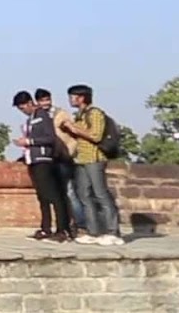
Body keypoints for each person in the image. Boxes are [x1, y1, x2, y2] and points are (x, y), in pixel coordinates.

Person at [60, 83, 123, 246]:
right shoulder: (80, 115)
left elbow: (95, 136)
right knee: (84, 195)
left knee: (101, 194)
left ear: (81, 97)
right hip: (81, 158)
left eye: (73, 97)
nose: (71, 100)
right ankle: (93, 231)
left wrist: (74, 129)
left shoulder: (94, 113)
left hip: (95, 158)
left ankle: (113, 231)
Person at [12, 89, 72, 241]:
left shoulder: (42, 116)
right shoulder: (30, 119)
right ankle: (46, 228)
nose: (23, 111)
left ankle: (62, 229)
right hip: (33, 159)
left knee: (54, 196)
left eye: (23, 107)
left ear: (29, 103)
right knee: (42, 197)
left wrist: (29, 142)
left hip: (44, 160)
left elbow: (50, 138)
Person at [35, 88, 85, 235]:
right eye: (42, 100)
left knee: (69, 192)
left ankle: (80, 224)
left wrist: (68, 153)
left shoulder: (60, 115)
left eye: (47, 99)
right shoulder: (38, 116)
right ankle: (64, 226)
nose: (45, 103)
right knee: (57, 194)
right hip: (50, 159)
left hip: (63, 158)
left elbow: (72, 135)